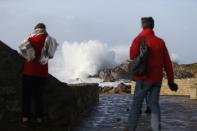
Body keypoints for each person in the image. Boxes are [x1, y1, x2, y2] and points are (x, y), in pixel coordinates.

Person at [124, 17, 178, 131]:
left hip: (143, 79)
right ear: (153, 26)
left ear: (142, 26)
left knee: (136, 105)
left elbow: (132, 55)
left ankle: (130, 128)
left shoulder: (139, 39)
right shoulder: (160, 42)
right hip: (157, 80)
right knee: (154, 105)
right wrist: (171, 81)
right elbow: (167, 62)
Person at [19, 23, 58, 127]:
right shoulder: (49, 40)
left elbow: (23, 51)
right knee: (39, 97)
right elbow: (51, 55)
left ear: (36, 29)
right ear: (44, 29)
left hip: (28, 72)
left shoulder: (30, 39)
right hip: (42, 74)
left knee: (26, 96)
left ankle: (25, 119)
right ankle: (39, 119)